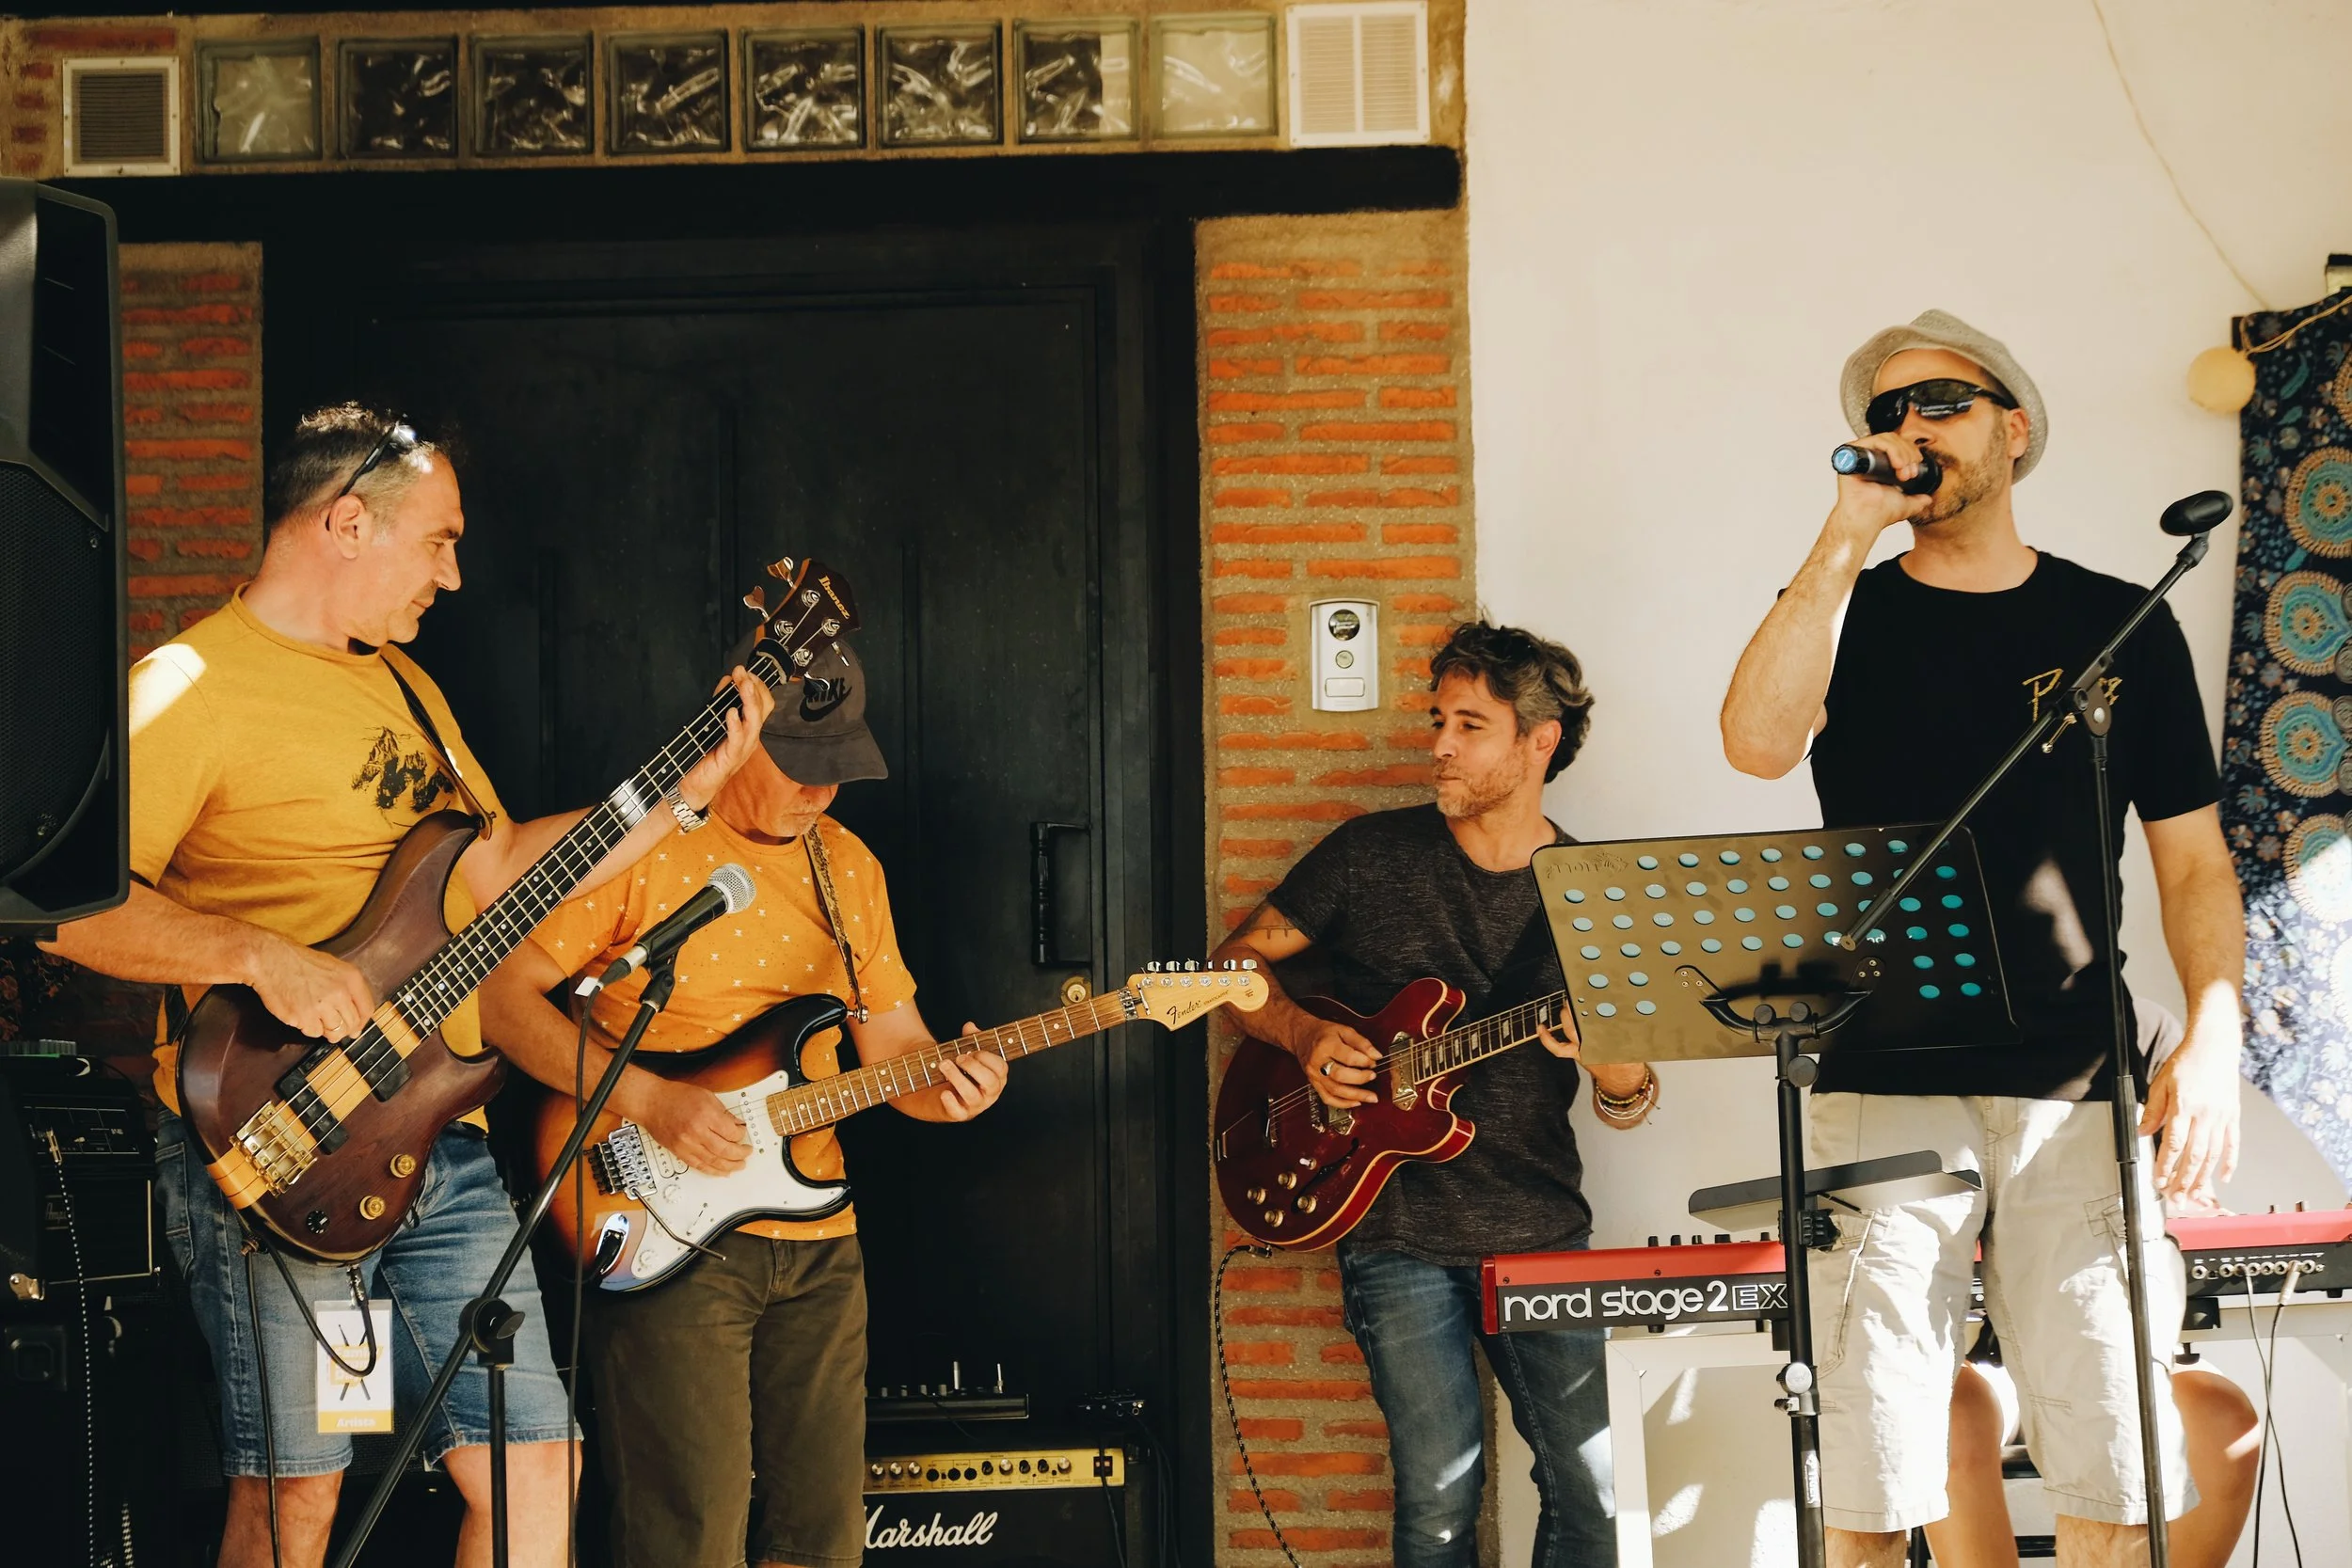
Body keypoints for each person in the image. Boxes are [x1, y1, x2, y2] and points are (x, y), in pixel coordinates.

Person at [41, 404, 774, 1568]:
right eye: (436, 540)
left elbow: (490, 869)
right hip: (287, 1148)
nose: (454, 572)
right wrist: (259, 953)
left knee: (538, 1467)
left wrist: (679, 796)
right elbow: (61, 909)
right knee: (301, 1499)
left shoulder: (406, 687)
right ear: (345, 521)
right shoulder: (191, 684)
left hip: (441, 1137)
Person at [1720, 311, 2246, 1568]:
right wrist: (1848, 532)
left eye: (1942, 400)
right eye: (1888, 412)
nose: (1911, 427)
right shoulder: (1843, 610)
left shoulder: (2120, 622)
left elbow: (2194, 859)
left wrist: (2216, 1027)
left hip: (2073, 1075)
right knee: (1871, 1460)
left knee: (2116, 1451)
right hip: (1880, 1073)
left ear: (2013, 427)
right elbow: (1754, 740)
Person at [480, 632, 1009, 1568]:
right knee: (691, 1533)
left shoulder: (850, 868)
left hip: (817, 1247)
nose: (820, 791)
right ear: (733, 734)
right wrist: (649, 1102)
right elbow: (499, 998)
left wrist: (956, 1087)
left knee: (823, 1535)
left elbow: (897, 1054)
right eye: (800, 766)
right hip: (660, 1222)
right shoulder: (645, 848)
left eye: (837, 770)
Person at [1211, 621, 1656, 1568]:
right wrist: (1302, 1032)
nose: (1439, 744)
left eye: (1469, 724)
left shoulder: (1592, 896)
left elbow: (1627, 1094)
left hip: (1537, 1224)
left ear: (1538, 742)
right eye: (1435, 719)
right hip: (1395, 1231)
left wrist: (1612, 1067)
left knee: (1598, 1491)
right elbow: (1232, 962)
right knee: (1441, 1502)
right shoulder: (1370, 854)